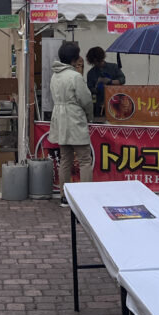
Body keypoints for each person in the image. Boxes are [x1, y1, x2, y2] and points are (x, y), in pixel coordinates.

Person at [49, 41, 94, 205]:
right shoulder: (75, 76)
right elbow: (86, 100)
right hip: (74, 118)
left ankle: (64, 196)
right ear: (74, 59)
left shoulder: (55, 75)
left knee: (65, 159)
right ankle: (86, 196)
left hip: (60, 119)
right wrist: (90, 116)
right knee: (84, 159)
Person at [85, 46, 125, 118]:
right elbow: (89, 89)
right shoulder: (91, 73)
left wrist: (110, 81)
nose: (96, 64)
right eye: (94, 62)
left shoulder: (114, 67)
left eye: (97, 61)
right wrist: (96, 87)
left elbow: (122, 80)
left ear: (101, 58)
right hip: (99, 105)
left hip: (115, 104)